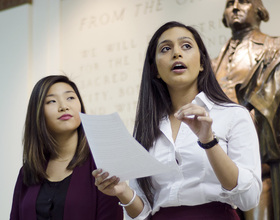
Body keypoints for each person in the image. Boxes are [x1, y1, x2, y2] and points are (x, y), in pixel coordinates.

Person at [92, 21, 262, 220]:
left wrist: (209, 141)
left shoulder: (233, 115)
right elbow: (142, 212)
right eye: (165, 49)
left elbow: (249, 199)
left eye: (186, 46)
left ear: (202, 64)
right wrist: (122, 191)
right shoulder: (146, 128)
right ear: (155, 69)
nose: (176, 53)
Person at [10, 75, 123, 220]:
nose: (64, 106)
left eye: (70, 98)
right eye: (51, 101)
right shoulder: (27, 172)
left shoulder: (102, 166)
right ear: (37, 113)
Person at [212, 0, 280, 219]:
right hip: (220, 165)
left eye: (244, 2)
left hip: (260, 163)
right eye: (229, 3)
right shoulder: (212, 63)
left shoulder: (275, 48)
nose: (235, 7)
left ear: (259, 10)